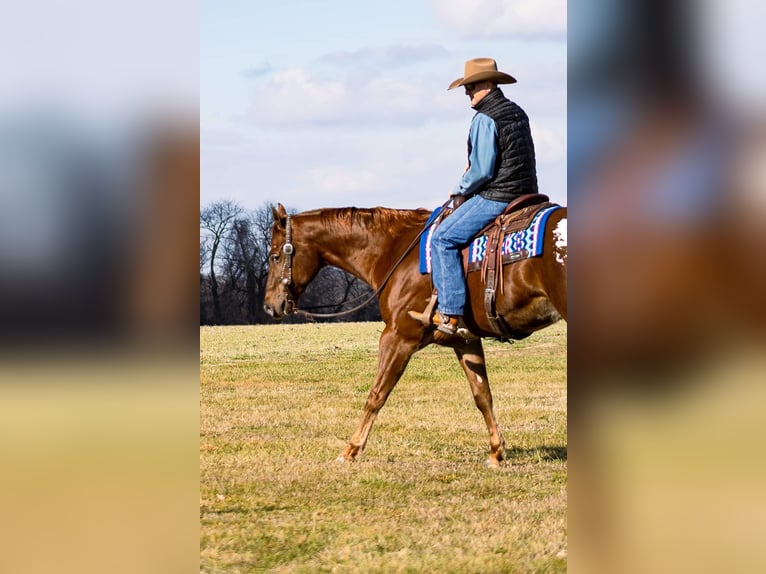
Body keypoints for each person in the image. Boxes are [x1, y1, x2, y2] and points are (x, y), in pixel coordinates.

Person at [412, 58, 540, 335]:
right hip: (528, 192)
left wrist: (460, 187)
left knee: (443, 238)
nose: (467, 92)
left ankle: (450, 314)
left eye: (470, 86)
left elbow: (482, 170)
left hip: (498, 194)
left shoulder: (485, 118)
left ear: (487, 84)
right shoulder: (516, 112)